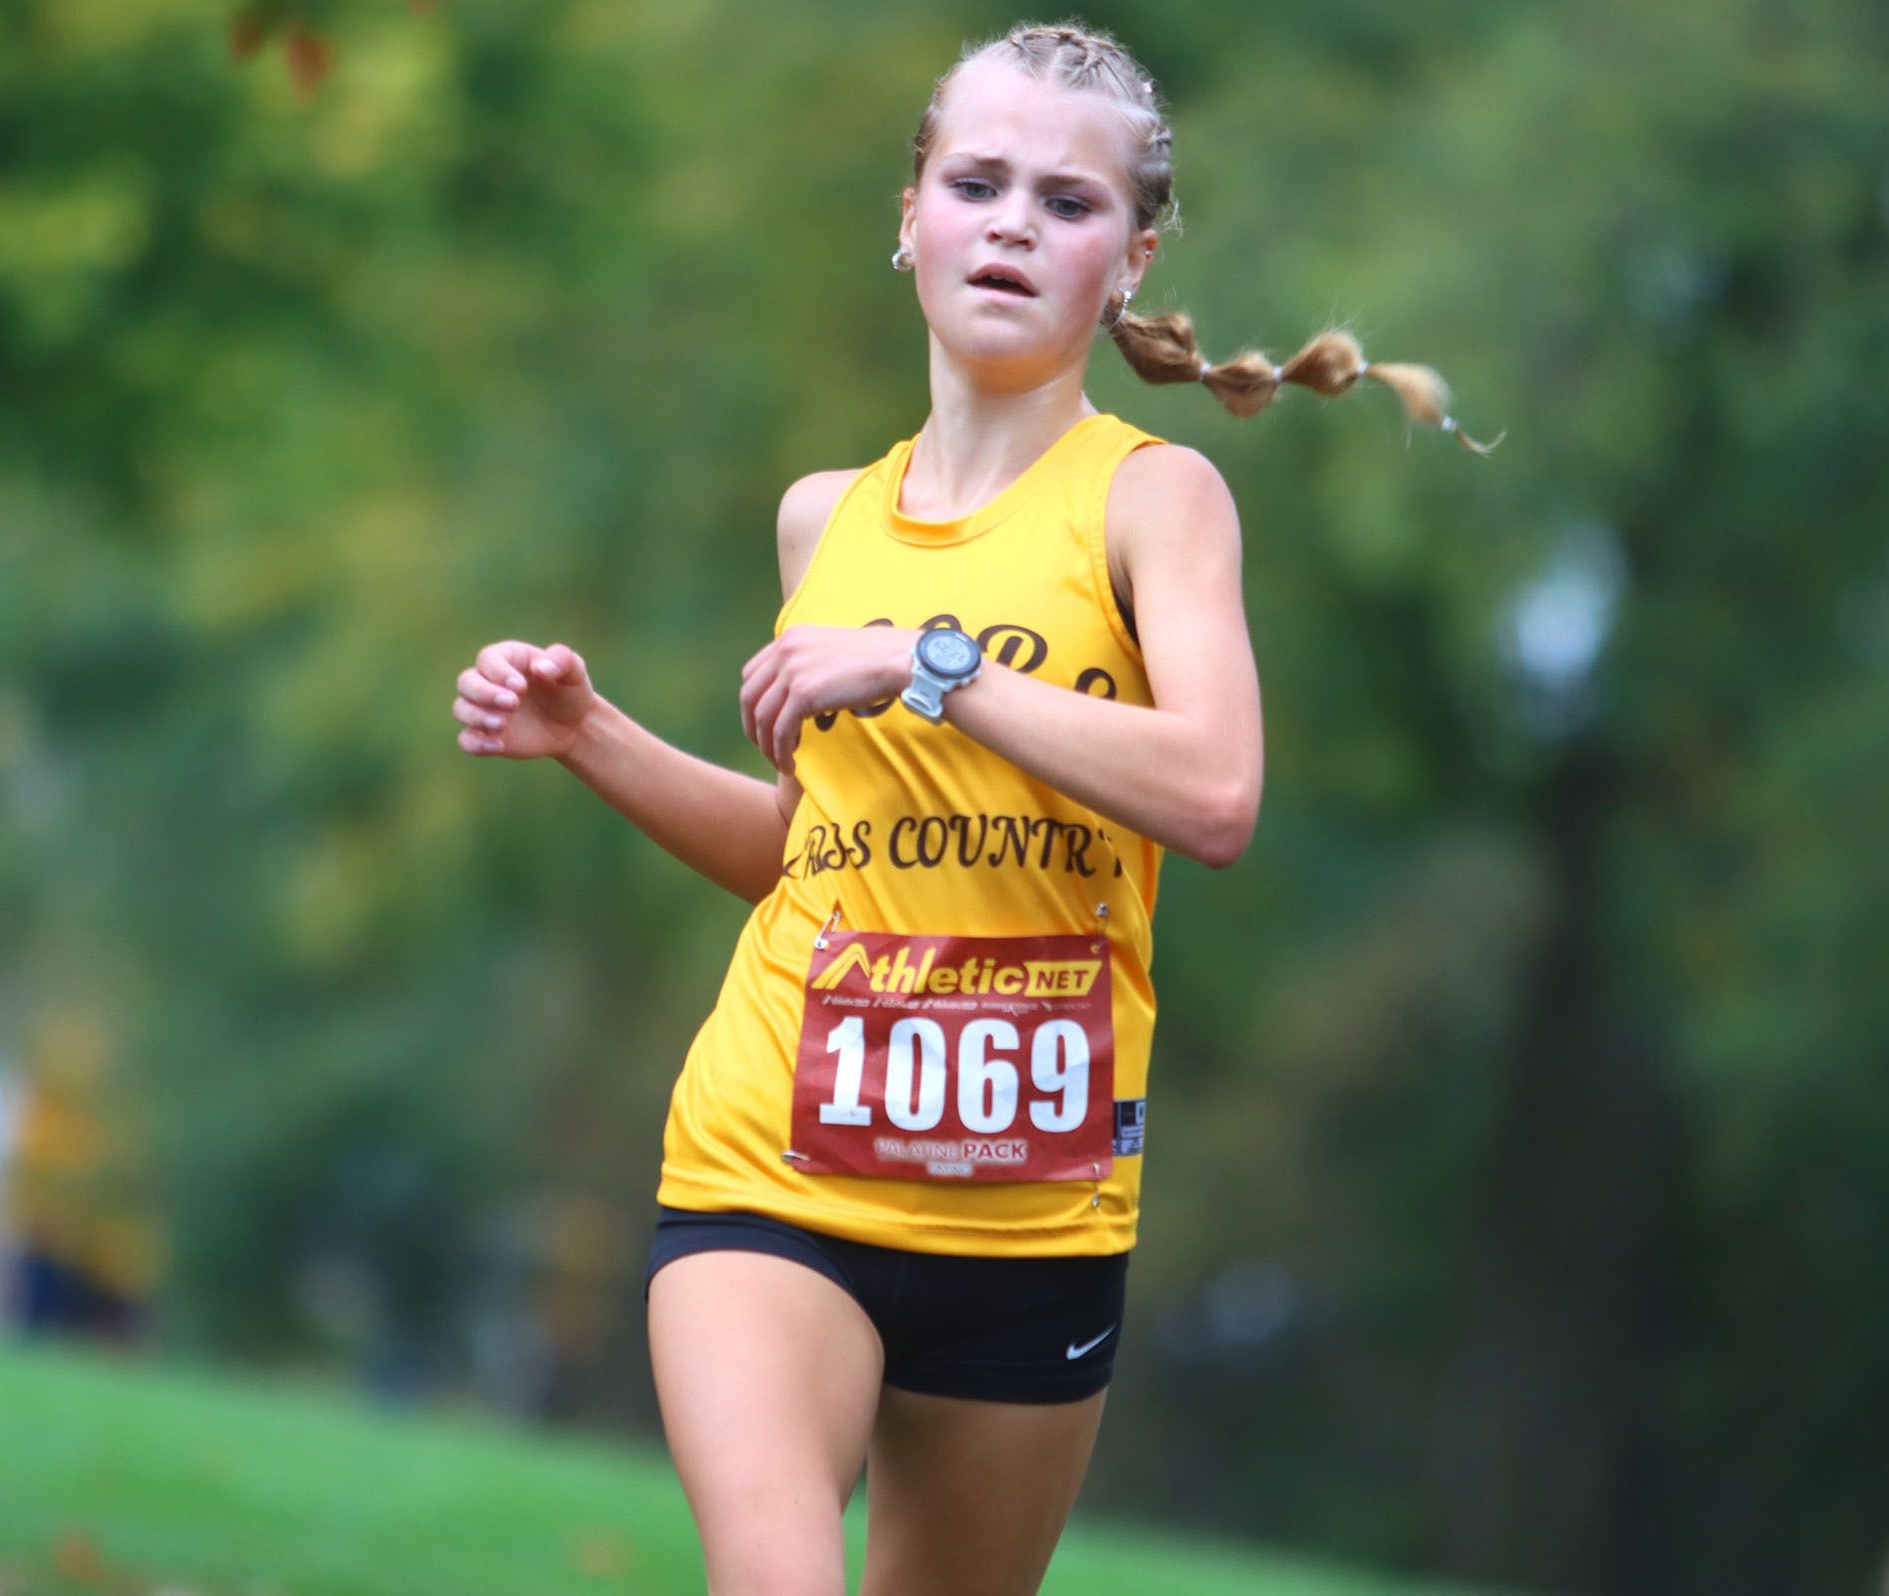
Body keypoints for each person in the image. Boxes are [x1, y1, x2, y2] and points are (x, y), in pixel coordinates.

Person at [450, 23, 1485, 1594]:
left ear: (1130, 261)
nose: (1012, 223)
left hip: (1030, 1225)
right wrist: (594, 737)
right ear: (909, 218)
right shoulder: (825, 521)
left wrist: (924, 664)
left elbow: (1214, 792)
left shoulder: (1154, 501)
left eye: (1067, 205)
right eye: (976, 182)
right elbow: (811, 861)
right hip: (770, 1169)